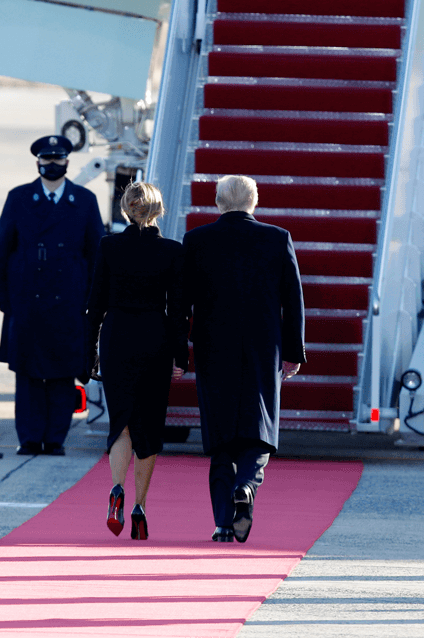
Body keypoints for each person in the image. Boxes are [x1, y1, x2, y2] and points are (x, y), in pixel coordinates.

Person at [182, 175, 304, 543]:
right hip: (262, 348)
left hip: (212, 348)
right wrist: (294, 352)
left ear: (218, 202)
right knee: (260, 430)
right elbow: (293, 300)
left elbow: (182, 304)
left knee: (220, 438)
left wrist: (179, 351)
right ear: (254, 201)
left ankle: (222, 523)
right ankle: (247, 485)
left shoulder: (197, 240)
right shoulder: (277, 237)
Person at [85, 182, 188, 541]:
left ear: (127, 210)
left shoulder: (109, 246)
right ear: (158, 211)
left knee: (122, 423)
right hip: (154, 339)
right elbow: (178, 312)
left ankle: (116, 488)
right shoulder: (172, 252)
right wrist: (181, 355)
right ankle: (140, 508)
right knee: (149, 425)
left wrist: (88, 353)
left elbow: (94, 305)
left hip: (116, 338)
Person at [0, 135, 104, 456]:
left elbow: (96, 253)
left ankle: (55, 438)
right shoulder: (19, 197)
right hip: (26, 301)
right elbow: (3, 249)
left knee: (61, 374)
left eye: (58, 159)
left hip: (68, 301)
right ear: (37, 162)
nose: (52, 165)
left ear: (68, 162)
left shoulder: (84, 200)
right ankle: (28, 438)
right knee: (27, 375)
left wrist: (93, 301)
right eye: (47, 159)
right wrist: (2, 297)